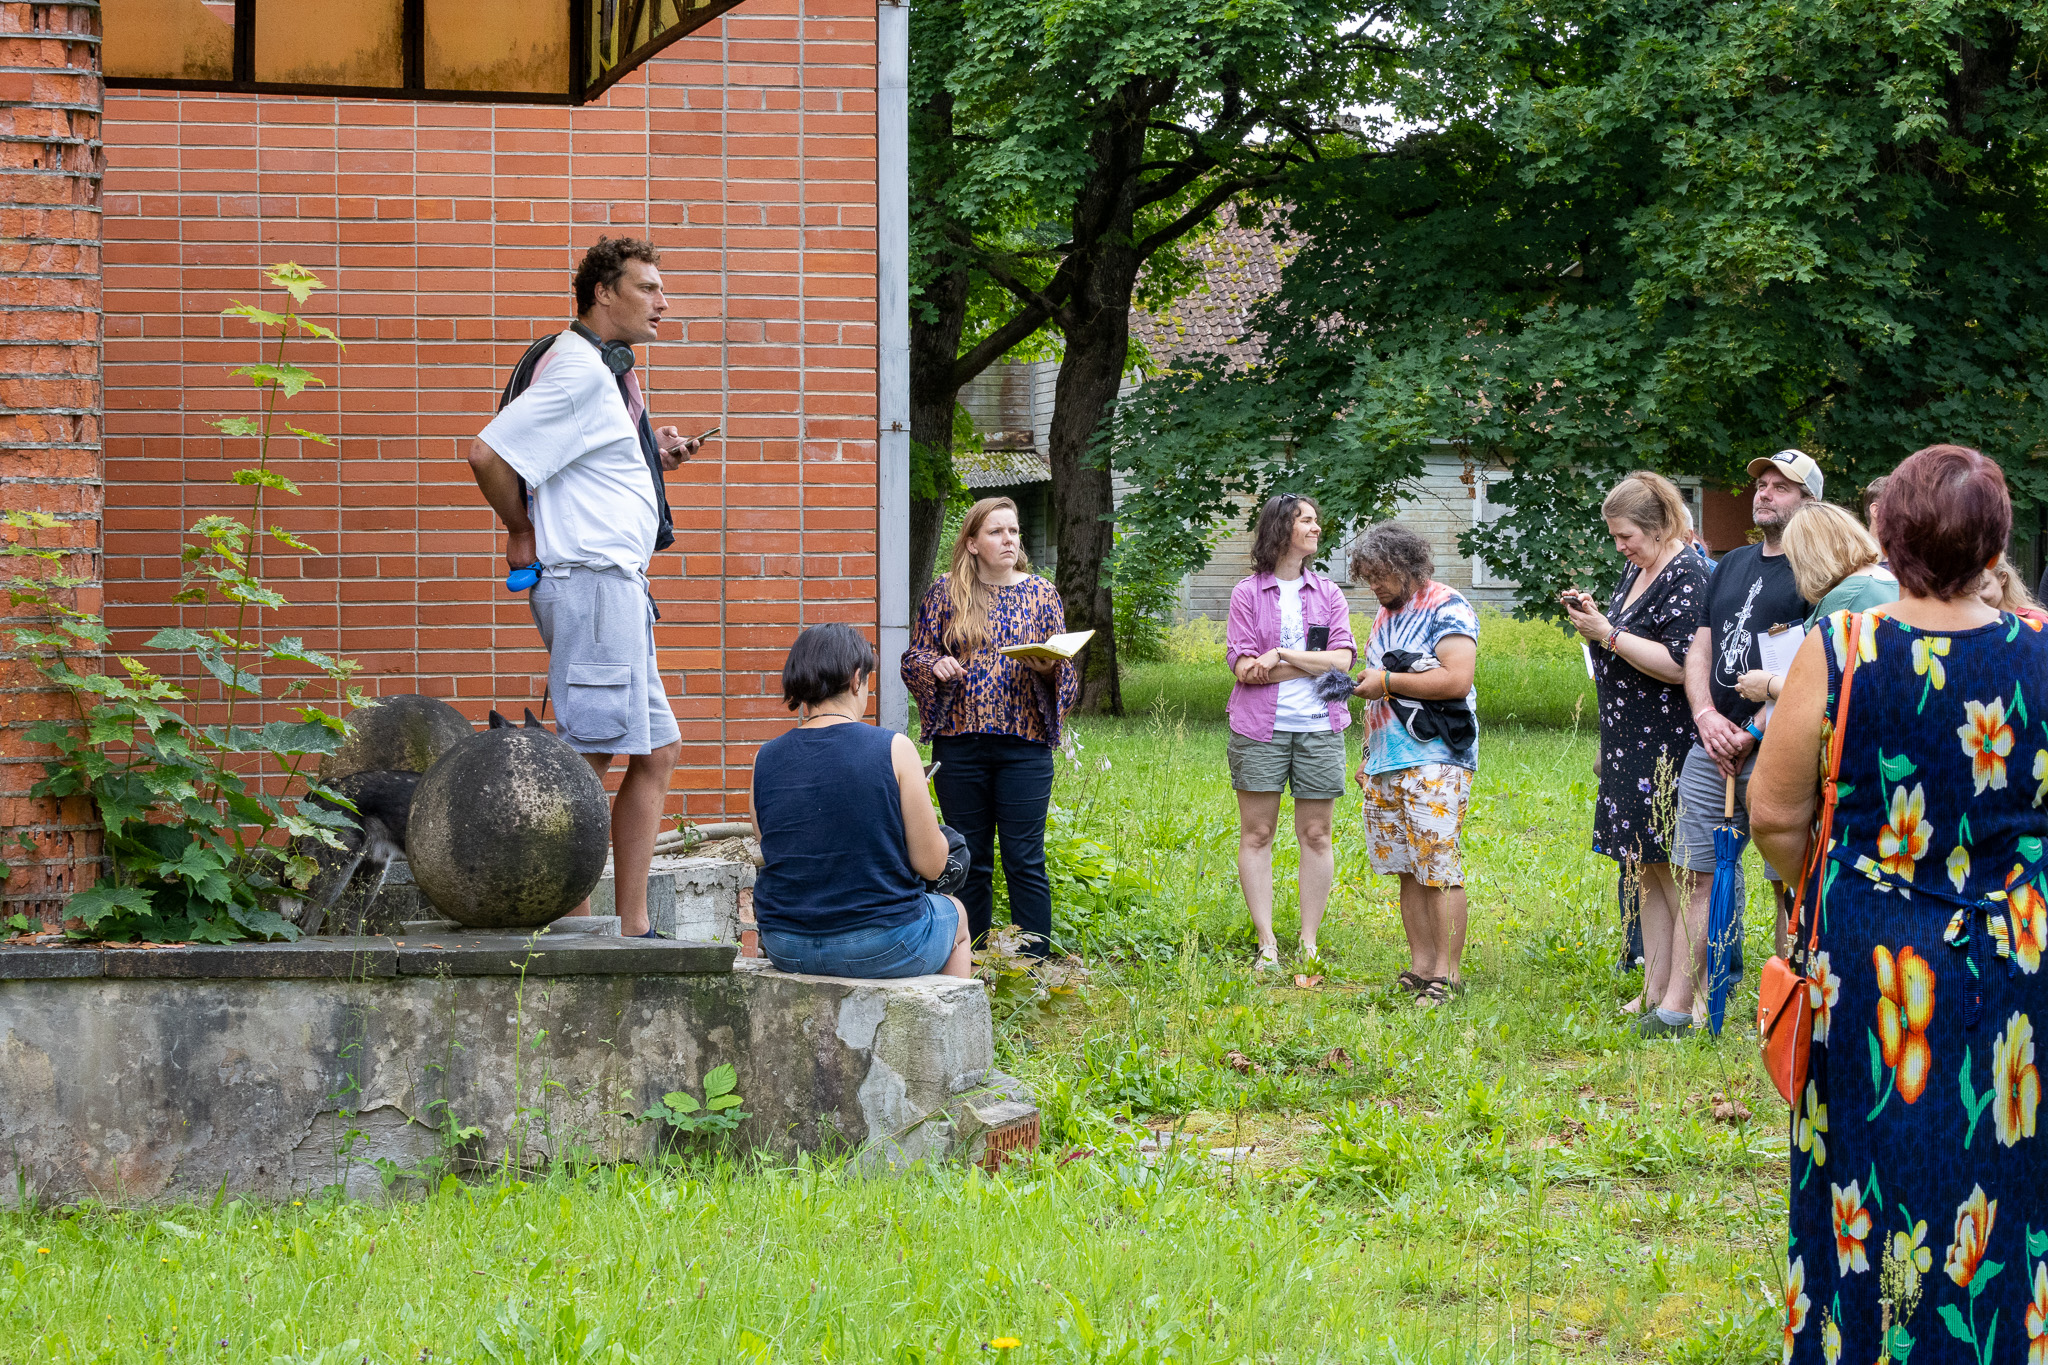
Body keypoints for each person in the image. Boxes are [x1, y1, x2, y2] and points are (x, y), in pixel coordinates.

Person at [1751, 445, 2048, 1365]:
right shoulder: (2041, 649)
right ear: (1994, 544)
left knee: (1863, 1160)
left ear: (1888, 536)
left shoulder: (1841, 648)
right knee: (2009, 1157)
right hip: (2015, 955)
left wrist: (1831, 884)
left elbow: (1775, 816)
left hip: (1868, 959)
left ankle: (1858, 1340)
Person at [465, 237, 706, 938]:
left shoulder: (605, 373)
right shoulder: (579, 370)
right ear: (604, 292)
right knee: (588, 754)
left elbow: (581, 459)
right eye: (648, 288)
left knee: (656, 751)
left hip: (615, 588)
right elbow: (487, 453)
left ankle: (632, 925)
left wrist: (650, 453)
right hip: (593, 584)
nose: (663, 303)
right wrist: (520, 528)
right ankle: (567, 922)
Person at [1660, 449, 1820, 1034]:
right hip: (1712, 747)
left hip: (1782, 748)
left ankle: (1789, 1005)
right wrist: (1705, 715)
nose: (1765, 493)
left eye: (1782, 486)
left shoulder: (1818, 574)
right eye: (1762, 484)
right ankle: (1680, 1006)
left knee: (1789, 883)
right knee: (1698, 874)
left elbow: (1814, 668)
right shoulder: (1729, 565)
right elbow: (1700, 647)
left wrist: (1753, 731)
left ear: (1810, 501)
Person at [901, 498, 1078, 958]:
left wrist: (1048, 669)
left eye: (1013, 531)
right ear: (973, 543)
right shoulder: (946, 592)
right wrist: (934, 665)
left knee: (1025, 859)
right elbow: (913, 657)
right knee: (968, 858)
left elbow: (1068, 672)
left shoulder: (1042, 593)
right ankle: (972, 958)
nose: (1008, 540)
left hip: (1025, 747)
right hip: (960, 744)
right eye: (996, 532)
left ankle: (1033, 965)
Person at [1562, 472, 1708, 1022]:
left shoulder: (1689, 574)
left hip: (1668, 740)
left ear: (1660, 524)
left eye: (1626, 536)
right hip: (1628, 738)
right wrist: (1598, 623)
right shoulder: (1638, 568)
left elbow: (1678, 664)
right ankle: (1652, 986)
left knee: (1673, 871)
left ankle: (1684, 995)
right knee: (1643, 865)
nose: (1620, 547)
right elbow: (1624, 637)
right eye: (1616, 537)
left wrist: (1608, 634)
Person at [751, 624, 971, 978]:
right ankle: (945, 1014)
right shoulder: (894, 747)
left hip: (785, 943)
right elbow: (932, 866)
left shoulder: (764, 758)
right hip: (881, 943)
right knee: (956, 913)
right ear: (856, 679)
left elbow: (775, 847)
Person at [1222, 494, 1358, 969]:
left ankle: (1308, 941)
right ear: (1281, 529)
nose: (1316, 528)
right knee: (1258, 833)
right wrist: (1312, 663)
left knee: (1317, 834)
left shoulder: (1329, 593)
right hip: (1260, 729)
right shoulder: (1246, 594)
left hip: (1320, 726)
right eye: (1307, 521)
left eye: (1316, 520)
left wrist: (1280, 655)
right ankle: (1267, 944)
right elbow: (1244, 669)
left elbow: (1343, 661)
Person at [1348, 523, 1479, 1006]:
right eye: (1368, 578)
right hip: (1386, 761)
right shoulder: (1383, 617)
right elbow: (1376, 695)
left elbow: (1456, 679)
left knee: (1437, 867)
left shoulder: (1447, 606)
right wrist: (1367, 757)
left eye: (1380, 575)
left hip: (1436, 757)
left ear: (1406, 566)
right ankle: (1422, 967)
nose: (1375, 586)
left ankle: (1448, 974)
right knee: (1407, 868)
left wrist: (1386, 681)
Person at [1736, 502, 1898, 708]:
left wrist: (1769, 685)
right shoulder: (1887, 580)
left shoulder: (1846, 596)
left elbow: (1823, 693)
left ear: (1811, 556)